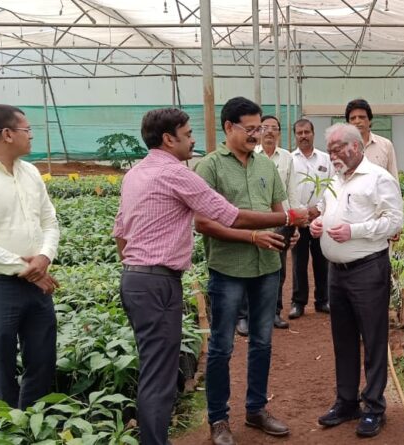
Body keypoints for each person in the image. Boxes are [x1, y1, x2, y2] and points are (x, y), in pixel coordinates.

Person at [113, 107, 307, 445]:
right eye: (187, 134)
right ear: (168, 139)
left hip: (141, 278)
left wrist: (136, 267)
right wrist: (291, 216)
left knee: (156, 369)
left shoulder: (134, 174)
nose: (192, 140)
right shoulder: (186, 172)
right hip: (170, 278)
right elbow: (226, 216)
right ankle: (205, 423)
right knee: (176, 367)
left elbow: (120, 231)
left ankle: (252, 410)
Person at [193, 97, 293, 445]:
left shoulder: (266, 166)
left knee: (262, 342)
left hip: (266, 267)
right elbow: (203, 222)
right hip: (228, 268)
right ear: (228, 128)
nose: (256, 135)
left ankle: (255, 409)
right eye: (250, 129)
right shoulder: (209, 167)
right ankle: (219, 419)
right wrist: (252, 235)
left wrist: (285, 235)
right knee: (221, 346)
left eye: (260, 129)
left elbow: (280, 211)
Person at [312, 123, 403, 438]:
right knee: (344, 339)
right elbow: (327, 210)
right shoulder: (335, 179)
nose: (333, 154)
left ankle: (374, 407)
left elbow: (394, 220)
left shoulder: (379, 178)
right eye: (331, 149)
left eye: (339, 148)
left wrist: (356, 231)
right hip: (336, 272)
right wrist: (319, 222)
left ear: (357, 147)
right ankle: (346, 401)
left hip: (368, 269)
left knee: (374, 340)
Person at [0, 105, 60, 410]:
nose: (31, 135)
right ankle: (5, 433)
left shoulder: (30, 172)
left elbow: (50, 221)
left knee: (44, 360)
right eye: (27, 130)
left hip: (36, 284)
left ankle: (33, 425)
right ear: (7, 134)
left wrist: (44, 257)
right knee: (0, 367)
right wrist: (27, 267)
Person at [249, 114, 299, 330]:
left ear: (279, 132)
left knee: (278, 269)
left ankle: (275, 312)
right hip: (255, 220)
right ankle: (252, 314)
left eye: (274, 128)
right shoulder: (250, 155)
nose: (269, 131)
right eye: (265, 127)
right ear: (259, 131)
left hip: (281, 220)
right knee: (251, 267)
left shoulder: (287, 158)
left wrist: (294, 223)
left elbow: (292, 191)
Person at [288, 119, 333, 319]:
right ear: (295, 135)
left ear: (313, 133)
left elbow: (333, 186)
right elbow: (287, 190)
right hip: (298, 220)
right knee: (298, 262)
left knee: (322, 260)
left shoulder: (326, 159)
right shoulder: (289, 160)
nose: (303, 135)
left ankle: (323, 300)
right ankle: (298, 302)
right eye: (300, 132)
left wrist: (318, 209)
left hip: (320, 218)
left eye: (307, 132)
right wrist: (299, 213)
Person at [345, 99, 398, 180]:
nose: (357, 121)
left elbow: (393, 179)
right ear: (348, 123)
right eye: (353, 118)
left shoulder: (386, 145)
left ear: (369, 121)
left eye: (361, 117)